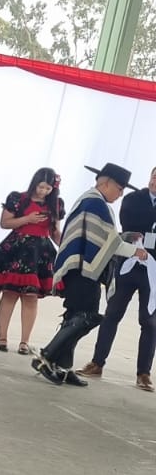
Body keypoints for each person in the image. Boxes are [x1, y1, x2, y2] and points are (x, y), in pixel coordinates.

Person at [33, 163, 148, 388]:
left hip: (82, 267)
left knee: (76, 316)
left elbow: (104, 236)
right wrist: (134, 249)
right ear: (106, 183)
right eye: (119, 188)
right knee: (86, 316)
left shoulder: (93, 200)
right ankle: (46, 357)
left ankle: (63, 368)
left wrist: (125, 237)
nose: (121, 193)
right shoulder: (95, 202)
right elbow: (108, 241)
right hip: (83, 269)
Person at [78, 165, 156, 392]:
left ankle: (144, 373)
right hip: (128, 264)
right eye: (153, 176)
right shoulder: (133, 198)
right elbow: (131, 223)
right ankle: (97, 362)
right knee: (112, 313)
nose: (154, 181)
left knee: (150, 322)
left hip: (152, 270)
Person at [0, 169, 63, 354]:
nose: (44, 192)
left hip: (41, 253)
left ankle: (25, 341)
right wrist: (27, 219)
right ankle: (2, 336)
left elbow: (55, 232)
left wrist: (65, 249)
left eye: (48, 189)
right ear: (35, 183)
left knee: (31, 298)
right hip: (17, 249)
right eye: (41, 187)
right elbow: (5, 223)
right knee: (9, 294)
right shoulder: (17, 198)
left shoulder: (55, 204)